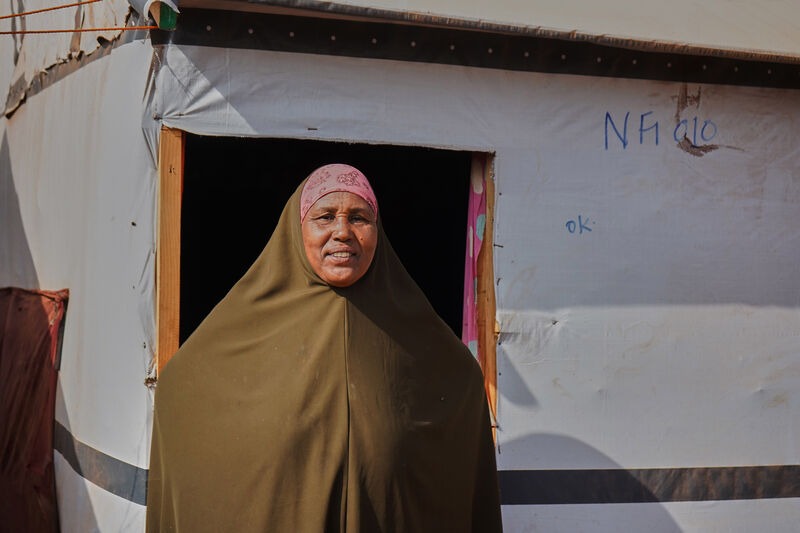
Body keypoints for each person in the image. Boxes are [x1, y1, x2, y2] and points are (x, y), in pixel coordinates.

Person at [146, 164, 503, 532]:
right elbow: (183, 390)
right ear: (297, 228)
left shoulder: (415, 330)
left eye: (359, 218)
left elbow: (460, 401)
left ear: (377, 231)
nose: (342, 232)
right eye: (325, 216)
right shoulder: (249, 321)